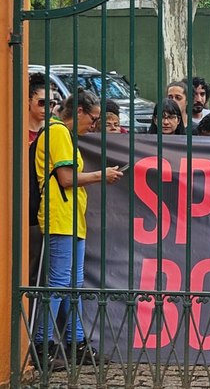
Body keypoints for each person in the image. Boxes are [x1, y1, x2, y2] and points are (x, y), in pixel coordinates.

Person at [33, 88, 123, 369]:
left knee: (72, 283)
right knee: (60, 283)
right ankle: (42, 346)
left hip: (71, 218)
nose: (94, 125)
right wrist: (101, 175)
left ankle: (76, 343)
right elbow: (66, 178)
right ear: (80, 111)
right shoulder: (57, 132)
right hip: (60, 216)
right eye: (94, 119)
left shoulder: (64, 134)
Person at [28, 73, 50, 144]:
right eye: (41, 102)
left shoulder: (54, 129)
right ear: (29, 101)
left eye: (51, 103)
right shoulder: (16, 130)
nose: (46, 107)